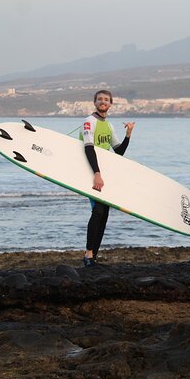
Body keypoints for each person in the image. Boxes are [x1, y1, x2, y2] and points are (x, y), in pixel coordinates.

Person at [80, 90, 135, 267]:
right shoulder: (89, 122)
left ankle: (93, 256)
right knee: (98, 211)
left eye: (106, 100)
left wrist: (128, 135)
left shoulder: (108, 126)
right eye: (100, 99)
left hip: (103, 174)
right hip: (91, 172)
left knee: (104, 214)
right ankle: (88, 255)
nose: (103, 102)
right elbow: (89, 148)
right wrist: (96, 173)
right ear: (94, 102)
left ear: (110, 104)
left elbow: (118, 151)